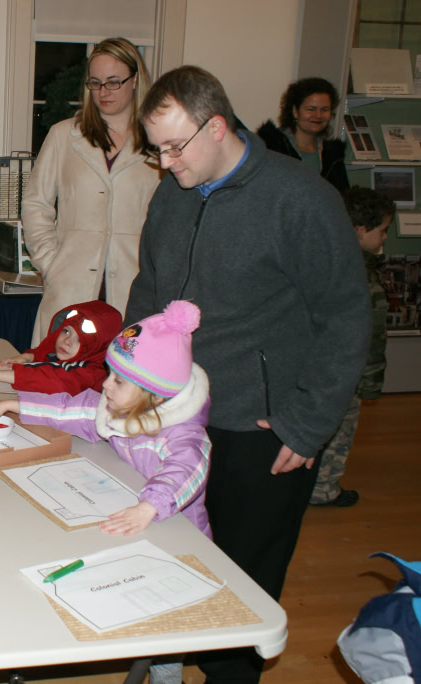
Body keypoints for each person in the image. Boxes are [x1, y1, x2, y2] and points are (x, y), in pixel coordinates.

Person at [128, 65, 370, 683]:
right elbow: (149, 291)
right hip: (175, 415)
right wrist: (126, 375)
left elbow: (346, 317)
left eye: (174, 147)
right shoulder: (173, 192)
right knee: (173, 558)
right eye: (155, 149)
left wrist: (307, 423)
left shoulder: (301, 199)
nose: (164, 162)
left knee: (242, 588)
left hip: (260, 427)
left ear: (217, 126)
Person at [0, 300, 210, 684]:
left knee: (165, 624)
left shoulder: (183, 434)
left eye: (118, 381)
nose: (104, 384)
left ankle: (168, 674)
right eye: (110, 375)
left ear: (153, 393)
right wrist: (17, 404)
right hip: (131, 520)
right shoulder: (117, 406)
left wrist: (148, 507)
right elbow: (76, 410)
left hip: (176, 534)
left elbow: (186, 471)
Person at [21, 36, 160, 347]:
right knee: (60, 382)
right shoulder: (63, 136)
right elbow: (35, 204)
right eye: (95, 83)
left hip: (133, 287)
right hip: (71, 282)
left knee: (123, 386)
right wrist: (50, 262)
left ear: (135, 80)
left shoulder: (158, 142)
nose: (103, 92)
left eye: (113, 82)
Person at [311, 186, 395, 508]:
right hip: (346, 376)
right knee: (340, 432)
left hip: (314, 369)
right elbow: (371, 339)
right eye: (383, 230)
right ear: (361, 232)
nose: (385, 238)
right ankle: (323, 490)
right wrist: (371, 385)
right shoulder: (364, 282)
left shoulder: (320, 264)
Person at [0, 300, 121, 394]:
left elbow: (52, 380)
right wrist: (27, 357)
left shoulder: (89, 372)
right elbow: (44, 353)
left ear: (98, 348)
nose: (67, 341)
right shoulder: (65, 353)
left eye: (79, 340)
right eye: (66, 331)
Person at [256, 77, 349, 191]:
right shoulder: (272, 148)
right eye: (311, 109)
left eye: (324, 110)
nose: (318, 115)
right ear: (295, 111)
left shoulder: (333, 155)